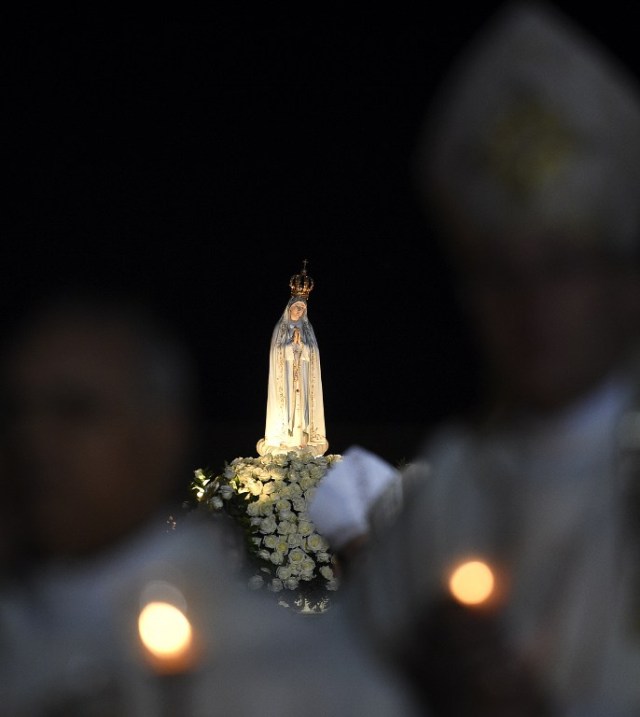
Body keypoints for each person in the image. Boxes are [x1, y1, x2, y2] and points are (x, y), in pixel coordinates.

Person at [339, 2, 640, 716]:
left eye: (561, 268)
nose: (530, 305)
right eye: (499, 274)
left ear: (628, 287)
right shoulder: (448, 489)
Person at [257, 260, 329, 456]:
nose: (299, 311)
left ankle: (302, 439)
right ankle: (283, 439)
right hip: (286, 377)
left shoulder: (307, 330)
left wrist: (302, 347)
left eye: (302, 309)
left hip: (302, 378)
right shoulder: (280, 330)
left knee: (301, 409)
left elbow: (313, 353)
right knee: (287, 406)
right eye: (296, 308)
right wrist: (290, 347)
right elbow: (276, 353)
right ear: (289, 308)